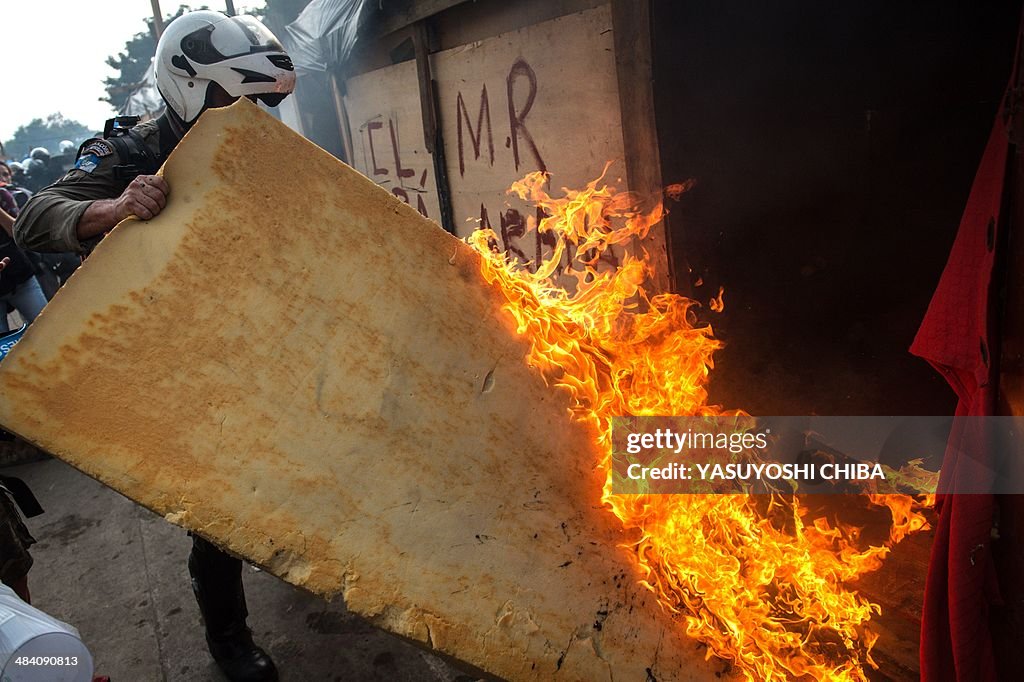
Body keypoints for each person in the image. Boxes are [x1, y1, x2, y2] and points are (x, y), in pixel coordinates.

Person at [13, 10, 295, 682]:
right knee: (217, 510)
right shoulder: (133, 151)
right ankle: (229, 641)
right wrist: (112, 209)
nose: (253, 114)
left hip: (260, 331)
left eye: (263, 102)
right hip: (177, 347)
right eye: (238, 99)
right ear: (191, 86)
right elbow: (33, 216)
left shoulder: (260, 141)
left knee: (289, 466)